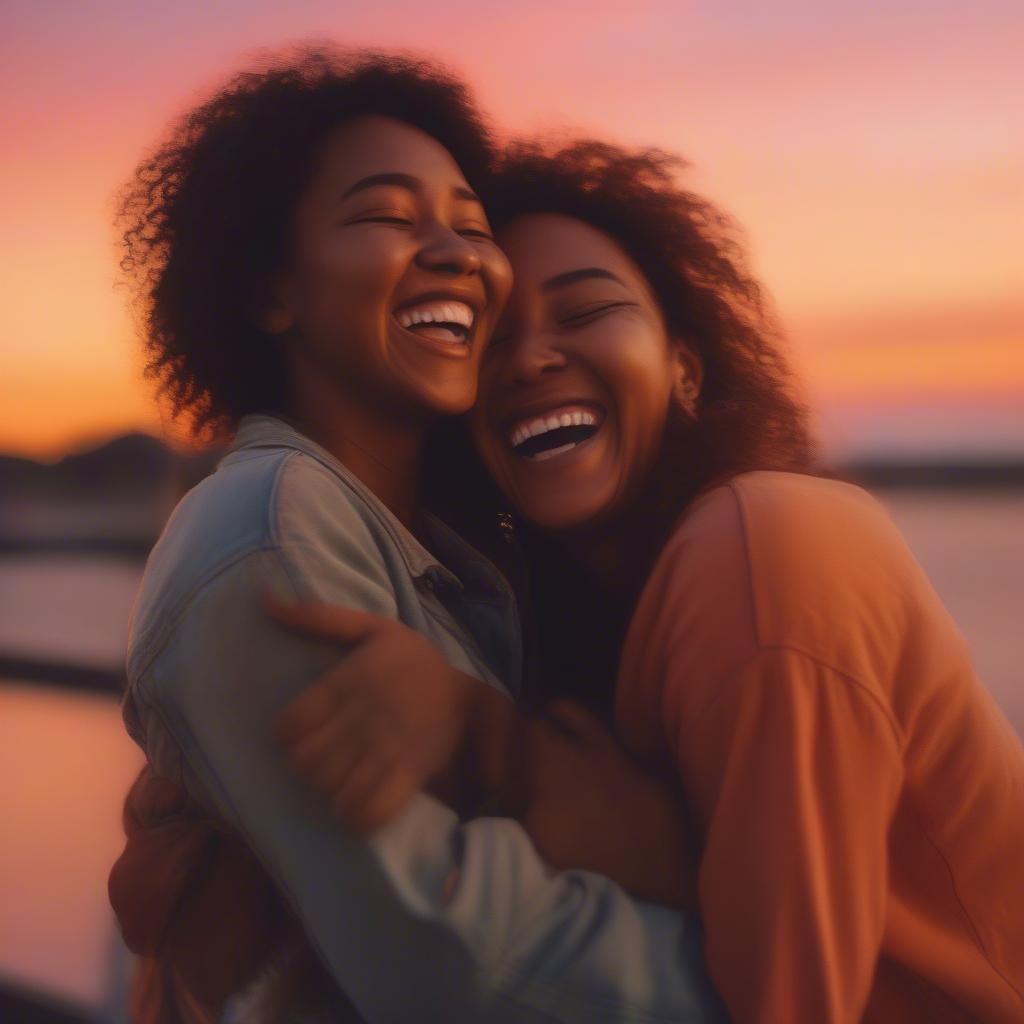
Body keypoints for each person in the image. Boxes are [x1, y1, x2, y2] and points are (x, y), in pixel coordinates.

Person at [269, 142, 1024, 1021]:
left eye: (586, 310)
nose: (528, 360)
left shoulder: (766, 545)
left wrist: (491, 744)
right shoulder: (575, 620)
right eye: (492, 340)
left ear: (686, 367)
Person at [110, 45, 723, 1024]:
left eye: (473, 227)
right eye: (390, 216)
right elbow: (465, 966)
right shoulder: (271, 534)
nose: (458, 254)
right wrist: (773, 969)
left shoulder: (452, 551)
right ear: (271, 290)